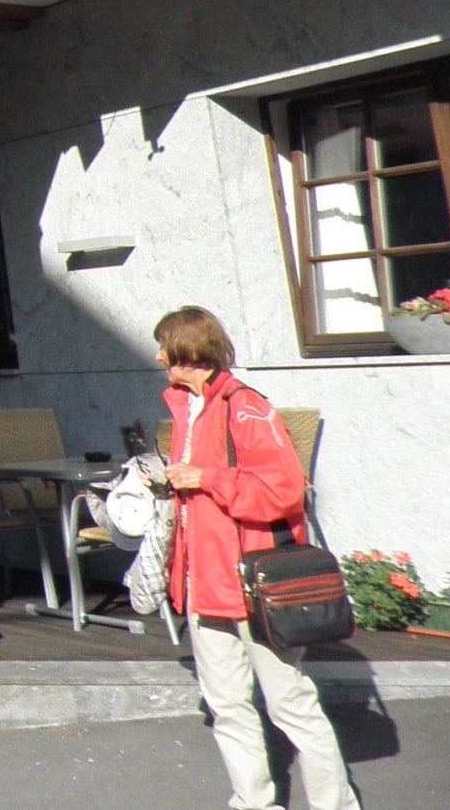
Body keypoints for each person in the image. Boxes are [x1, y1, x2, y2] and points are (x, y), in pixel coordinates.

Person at [154, 306, 358, 810]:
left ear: (189, 351)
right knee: (227, 707)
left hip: (252, 583)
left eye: (164, 347)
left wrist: (207, 478)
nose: (158, 357)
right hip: (205, 583)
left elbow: (284, 491)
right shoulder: (187, 408)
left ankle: (336, 806)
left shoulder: (245, 406)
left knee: (291, 706)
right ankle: (253, 802)